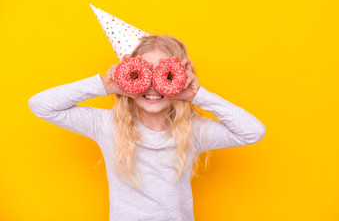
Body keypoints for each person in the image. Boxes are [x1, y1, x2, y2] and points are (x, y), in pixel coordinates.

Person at [28, 34, 266, 221]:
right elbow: (40, 105)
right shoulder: (106, 125)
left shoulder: (192, 131)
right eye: (144, 73)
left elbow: (252, 131)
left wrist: (196, 95)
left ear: (181, 78)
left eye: (165, 76)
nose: (153, 87)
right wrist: (104, 86)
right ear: (128, 76)